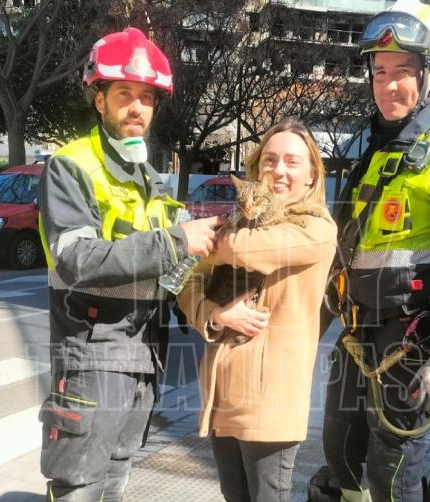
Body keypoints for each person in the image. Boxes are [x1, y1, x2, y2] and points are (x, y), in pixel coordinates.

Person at [312, 1, 430, 500]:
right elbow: (347, 250)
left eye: (402, 71)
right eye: (379, 72)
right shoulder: (377, 151)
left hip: (411, 341)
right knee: (338, 453)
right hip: (358, 335)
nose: (388, 85)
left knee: (391, 470)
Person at [36, 27, 221, 501]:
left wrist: (216, 296)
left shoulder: (149, 179)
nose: (137, 107)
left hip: (143, 357)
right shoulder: (72, 166)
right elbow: (76, 259)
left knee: (115, 483)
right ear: (99, 100)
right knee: (79, 486)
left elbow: (168, 273)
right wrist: (177, 241)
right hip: (92, 356)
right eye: (124, 94)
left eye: (147, 97)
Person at [177, 118, 337, 502]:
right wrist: (215, 314)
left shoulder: (316, 229)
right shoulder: (240, 220)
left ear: (312, 174)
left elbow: (248, 249)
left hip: (271, 406)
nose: (278, 170)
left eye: (292, 161)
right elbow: (186, 283)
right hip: (221, 395)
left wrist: (208, 240)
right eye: (269, 160)